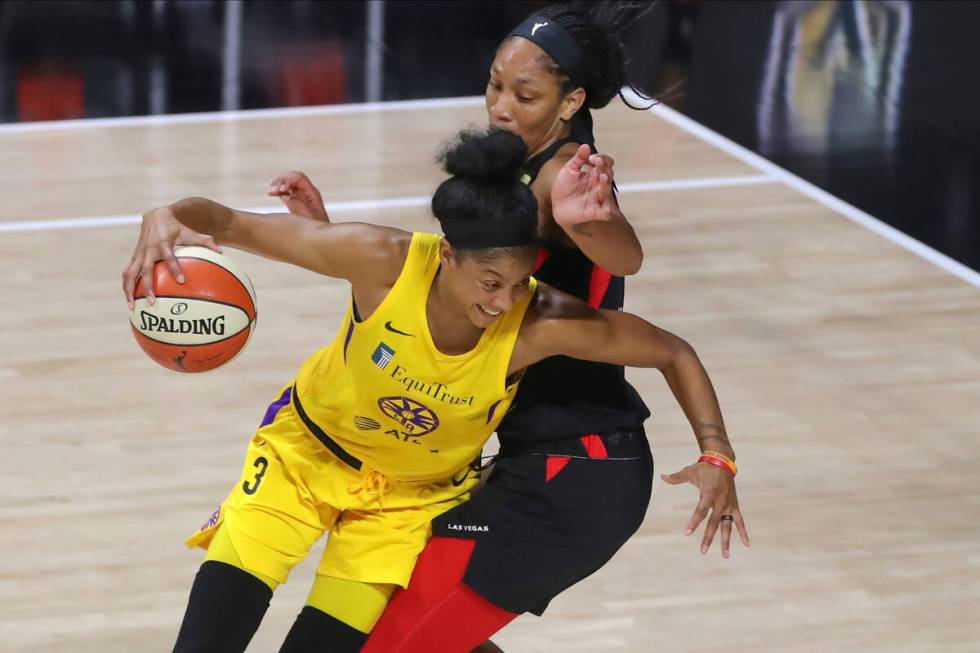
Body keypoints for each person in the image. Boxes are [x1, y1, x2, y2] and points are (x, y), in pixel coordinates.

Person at [122, 129, 743, 653]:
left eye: (519, 281)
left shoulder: (538, 320)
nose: (503, 302)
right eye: (490, 281)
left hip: (405, 505)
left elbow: (671, 350)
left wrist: (716, 453)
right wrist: (166, 216)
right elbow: (226, 222)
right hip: (303, 459)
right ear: (446, 252)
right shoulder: (379, 258)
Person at [266, 6, 749, 652]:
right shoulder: (511, 165)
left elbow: (624, 255)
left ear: (571, 99)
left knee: (375, 641)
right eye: (495, 84)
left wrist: (592, 224)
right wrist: (328, 239)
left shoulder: (564, 174)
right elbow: (436, 280)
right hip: (533, 456)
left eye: (525, 95)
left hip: (576, 472)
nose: (500, 105)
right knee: (408, 623)